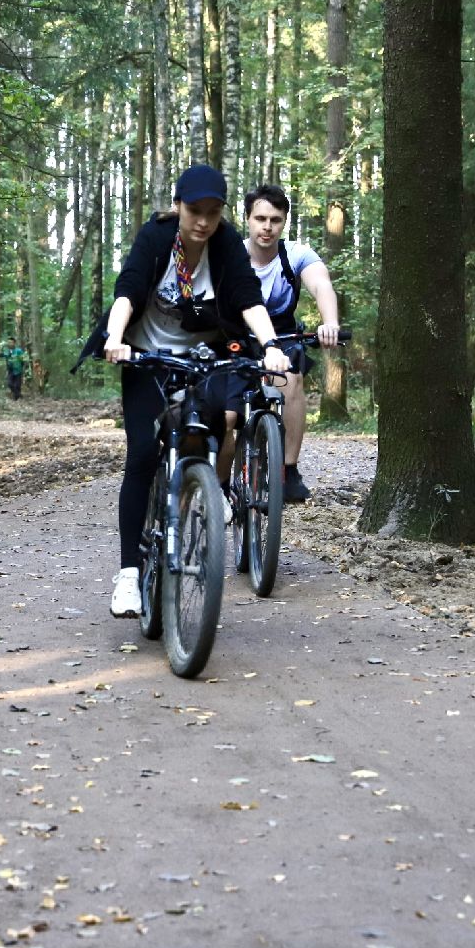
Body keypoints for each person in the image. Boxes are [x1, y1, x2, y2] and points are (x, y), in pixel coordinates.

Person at [102, 164, 291, 618]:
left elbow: (248, 299)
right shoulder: (157, 238)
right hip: (146, 354)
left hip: (202, 355)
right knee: (144, 454)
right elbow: (127, 290)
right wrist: (114, 338)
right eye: (194, 211)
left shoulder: (224, 244)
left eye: (212, 212)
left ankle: (193, 495)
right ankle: (129, 574)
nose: (203, 222)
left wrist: (270, 345)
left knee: (205, 434)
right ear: (178, 207)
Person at [241, 184, 342, 503]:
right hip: (238, 337)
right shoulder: (233, 255)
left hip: (283, 336)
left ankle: (289, 469)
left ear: (284, 222)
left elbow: (321, 285)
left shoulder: (296, 255)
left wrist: (330, 323)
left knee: (292, 380)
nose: (267, 227)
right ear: (247, 220)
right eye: (260, 218)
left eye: (275, 220)